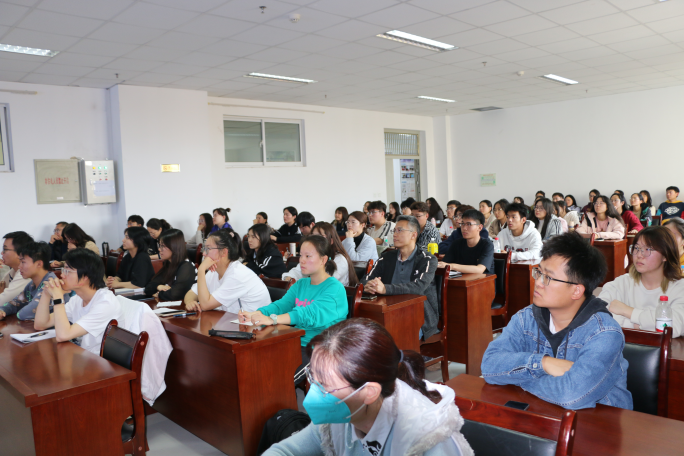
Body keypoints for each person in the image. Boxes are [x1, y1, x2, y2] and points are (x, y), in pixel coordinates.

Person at [263, 319, 473, 456]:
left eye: (324, 385)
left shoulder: (428, 443)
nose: (313, 392)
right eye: (313, 378)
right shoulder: (339, 417)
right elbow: (285, 451)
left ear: (369, 392)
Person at [481, 232, 632, 411]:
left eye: (548, 278)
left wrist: (516, 377)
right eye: (539, 272)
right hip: (544, 415)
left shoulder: (605, 333)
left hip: (598, 422)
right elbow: (489, 365)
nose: (538, 282)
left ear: (576, 291)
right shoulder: (526, 318)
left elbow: (570, 395)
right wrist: (544, 363)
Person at [240, 235, 348, 372]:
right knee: (254, 363)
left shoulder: (335, 288)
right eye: (300, 255)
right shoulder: (301, 284)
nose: (301, 260)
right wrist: (255, 314)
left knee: (275, 373)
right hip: (294, 342)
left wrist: (272, 319)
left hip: (320, 350)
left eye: (308, 256)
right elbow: (281, 306)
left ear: (323, 260)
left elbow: (308, 314)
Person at [363, 215, 440, 340]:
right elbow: (365, 279)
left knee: (393, 337)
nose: (394, 234)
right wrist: (368, 286)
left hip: (419, 316)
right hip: (388, 311)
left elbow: (418, 287)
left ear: (413, 235)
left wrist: (385, 289)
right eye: (394, 231)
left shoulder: (427, 259)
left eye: (400, 230)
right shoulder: (387, 257)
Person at [34, 248, 122, 355]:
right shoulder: (77, 299)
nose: (62, 275)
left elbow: (63, 335)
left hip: (100, 361)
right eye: (63, 270)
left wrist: (58, 297)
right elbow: (40, 324)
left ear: (85, 277)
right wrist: (46, 293)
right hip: (82, 355)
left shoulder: (105, 303)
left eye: (67, 271)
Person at [600, 226, 684, 337]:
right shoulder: (622, 282)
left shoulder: (679, 287)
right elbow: (598, 315)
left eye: (648, 249)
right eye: (636, 248)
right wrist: (638, 326)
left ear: (665, 255)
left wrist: (628, 311)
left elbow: (675, 326)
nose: (639, 255)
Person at [184, 229, 270, 314]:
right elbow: (192, 292)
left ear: (224, 252)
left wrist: (201, 270)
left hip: (255, 322)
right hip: (230, 319)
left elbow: (205, 305)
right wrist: (190, 301)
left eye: (208, 249)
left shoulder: (237, 274)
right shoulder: (214, 271)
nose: (203, 253)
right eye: (204, 248)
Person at [0, 241, 65, 321]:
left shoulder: (50, 284)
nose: (19, 266)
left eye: (23, 262)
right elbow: (15, 303)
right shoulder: (32, 284)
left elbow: (25, 313)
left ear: (39, 264)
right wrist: (2, 310)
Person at [283, 222, 358, 287]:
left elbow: (321, 282)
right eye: (312, 237)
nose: (314, 241)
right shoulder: (312, 256)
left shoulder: (340, 259)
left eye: (320, 237)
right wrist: (289, 278)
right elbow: (296, 272)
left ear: (331, 241)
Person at [144, 229, 196, 301]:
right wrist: (159, 287)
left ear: (174, 246)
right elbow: (148, 288)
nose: (159, 249)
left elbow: (175, 294)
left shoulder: (186, 266)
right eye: (159, 245)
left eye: (163, 246)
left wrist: (159, 294)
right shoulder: (169, 264)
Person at [439, 209, 495, 274]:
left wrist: (452, 266)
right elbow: (444, 264)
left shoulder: (487, 245)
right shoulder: (456, 243)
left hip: (482, 279)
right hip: (461, 279)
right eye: (462, 224)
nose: (464, 228)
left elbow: (479, 269)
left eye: (469, 224)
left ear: (480, 227)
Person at [0, 232, 33, 306]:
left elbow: (2, 302)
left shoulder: (24, 275)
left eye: (5, 249)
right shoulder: (12, 271)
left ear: (20, 253)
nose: (2, 253)